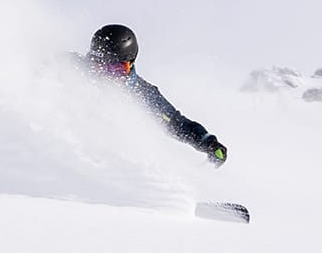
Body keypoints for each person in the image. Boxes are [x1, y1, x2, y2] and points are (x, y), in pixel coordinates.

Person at [79, 24, 228, 167]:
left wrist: (208, 143)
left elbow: (176, 123)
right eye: (100, 65)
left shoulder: (142, 94)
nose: (109, 75)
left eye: (117, 69)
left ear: (130, 64)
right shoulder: (72, 67)